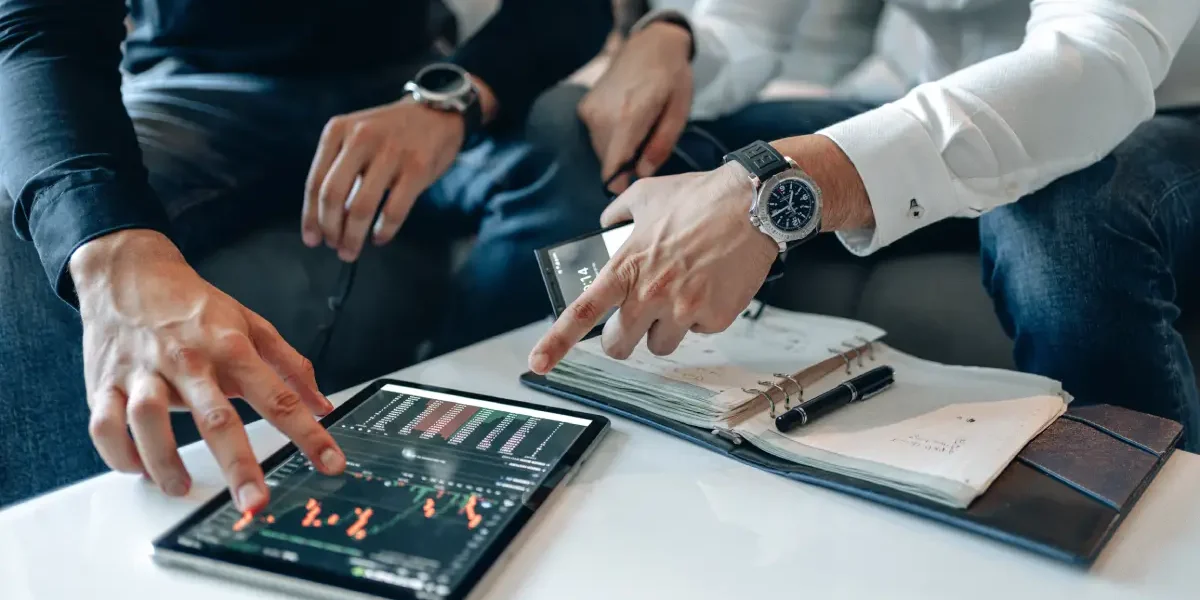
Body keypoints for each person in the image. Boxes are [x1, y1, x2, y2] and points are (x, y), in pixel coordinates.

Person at [0, 0, 613, 510]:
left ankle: (492, 442)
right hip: (194, 88)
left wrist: (452, 98)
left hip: (406, 82)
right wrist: (112, 251)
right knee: (23, 234)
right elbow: (41, 27)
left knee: (576, 148)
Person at [526, 0, 1200, 452]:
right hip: (919, 95)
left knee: (1058, 217)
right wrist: (671, 37)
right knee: (609, 128)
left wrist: (778, 186)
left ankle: (1147, 544)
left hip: (1160, 110)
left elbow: (1091, 69)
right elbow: (747, 28)